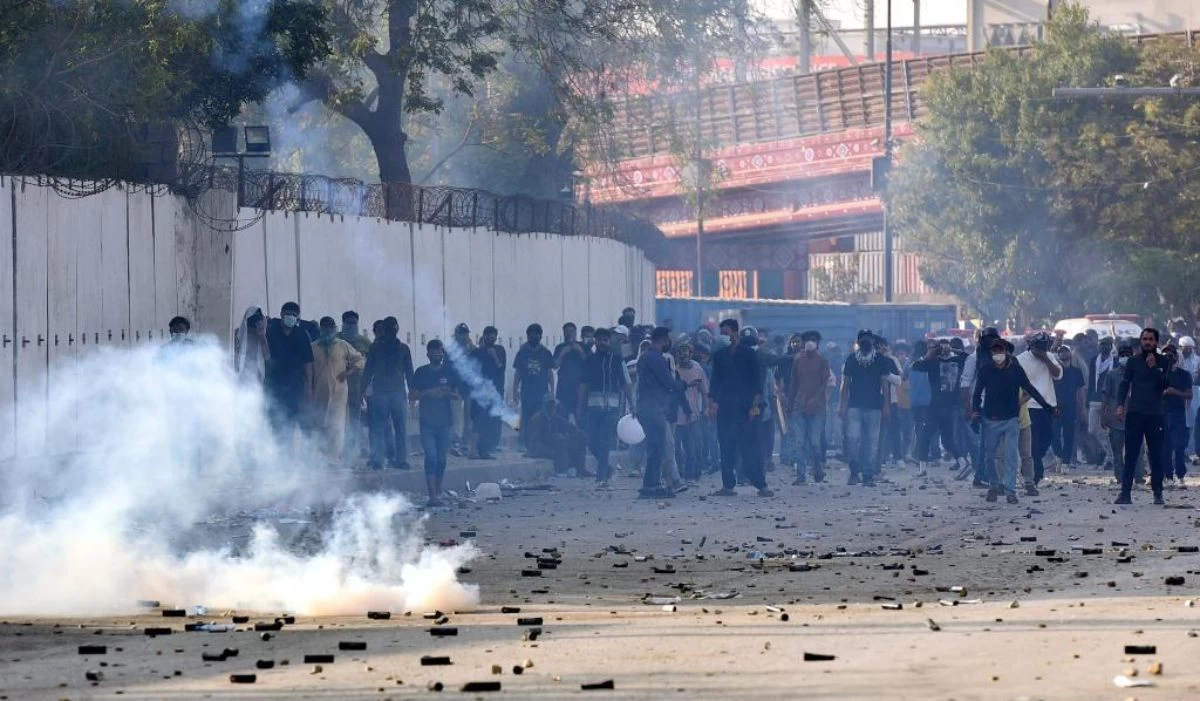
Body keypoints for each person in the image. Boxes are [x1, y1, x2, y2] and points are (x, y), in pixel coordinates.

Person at [972, 337, 1055, 504]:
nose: (997, 353)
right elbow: (977, 393)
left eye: (1000, 350)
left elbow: (1030, 389)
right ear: (991, 352)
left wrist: (1047, 407)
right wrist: (975, 413)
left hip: (1012, 419)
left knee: (1011, 456)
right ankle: (994, 486)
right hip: (990, 420)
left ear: (1006, 352)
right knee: (990, 457)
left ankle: (1010, 491)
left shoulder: (1015, 370)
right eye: (994, 350)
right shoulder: (986, 370)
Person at [709, 319, 773, 497]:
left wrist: (755, 406)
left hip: (746, 408)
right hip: (726, 408)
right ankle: (728, 486)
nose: (724, 336)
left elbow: (757, 382)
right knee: (726, 447)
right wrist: (712, 403)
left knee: (750, 447)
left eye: (726, 332)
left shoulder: (749, 354)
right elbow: (715, 381)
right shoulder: (720, 355)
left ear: (735, 333)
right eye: (722, 333)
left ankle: (761, 484)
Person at [1115, 328, 1171, 505]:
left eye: (1151, 339)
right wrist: (1120, 405)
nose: (1147, 342)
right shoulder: (1133, 361)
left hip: (1155, 414)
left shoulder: (1164, 361)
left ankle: (1158, 492)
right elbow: (1125, 384)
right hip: (1135, 413)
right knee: (1131, 454)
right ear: (1140, 341)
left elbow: (1164, 384)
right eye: (1145, 339)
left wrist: (1154, 367)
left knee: (1156, 455)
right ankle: (1125, 493)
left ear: (1156, 342)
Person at [578, 327, 633, 487]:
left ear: (609, 342)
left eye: (605, 340)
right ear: (595, 341)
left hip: (611, 410)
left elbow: (626, 384)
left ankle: (601, 477)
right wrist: (580, 407)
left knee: (604, 443)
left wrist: (632, 405)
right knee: (590, 441)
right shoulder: (589, 361)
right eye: (600, 340)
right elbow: (583, 386)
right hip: (592, 409)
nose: (602, 343)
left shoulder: (618, 361)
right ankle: (607, 470)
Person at [839, 330, 892, 487]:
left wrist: (886, 405)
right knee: (853, 440)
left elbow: (885, 384)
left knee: (872, 443)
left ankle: (868, 475)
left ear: (872, 341)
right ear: (858, 342)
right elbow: (845, 384)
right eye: (862, 339)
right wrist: (842, 405)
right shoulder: (851, 359)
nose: (865, 341)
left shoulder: (880, 360)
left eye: (868, 338)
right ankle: (854, 472)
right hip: (854, 406)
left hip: (875, 407)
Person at [361, 316, 414, 470]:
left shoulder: (382, 348)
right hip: (387, 393)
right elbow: (409, 372)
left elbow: (368, 371)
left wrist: (412, 391)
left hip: (389, 393)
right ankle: (396, 459)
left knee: (385, 427)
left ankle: (384, 459)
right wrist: (412, 391)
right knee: (395, 428)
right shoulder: (379, 348)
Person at [411, 339, 459, 507]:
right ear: (428, 354)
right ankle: (432, 496)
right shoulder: (421, 372)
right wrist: (428, 393)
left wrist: (446, 393)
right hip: (427, 422)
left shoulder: (450, 372)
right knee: (431, 456)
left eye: (439, 351)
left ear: (443, 353)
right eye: (433, 351)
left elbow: (457, 395)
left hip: (445, 422)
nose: (437, 354)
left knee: (441, 459)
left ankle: (437, 492)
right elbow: (412, 395)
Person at [310, 316, 365, 464]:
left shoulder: (342, 345)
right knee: (320, 424)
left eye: (330, 327)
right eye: (325, 327)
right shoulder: (313, 347)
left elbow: (360, 360)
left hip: (338, 393)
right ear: (321, 329)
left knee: (337, 426)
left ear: (334, 329)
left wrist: (349, 371)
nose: (328, 330)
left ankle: (333, 458)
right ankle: (320, 458)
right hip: (319, 392)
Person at [636, 326, 682, 498]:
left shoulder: (645, 356)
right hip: (653, 407)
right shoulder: (655, 358)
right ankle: (651, 486)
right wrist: (681, 386)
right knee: (657, 447)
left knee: (654, 446)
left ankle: (650, 485)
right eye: (667, 339)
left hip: (647, 406)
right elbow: (667, 381)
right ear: (663, 339)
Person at [912, 338, 968, 473]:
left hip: (937, 407)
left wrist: (950, 350)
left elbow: (916, 365)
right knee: (947, 440)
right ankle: (962, 462)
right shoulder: (937, 362)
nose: (944, 350)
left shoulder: (949, 361)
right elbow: (916, 366)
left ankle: (922, 469)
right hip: (947, 407)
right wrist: (932, 353)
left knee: (925, 436)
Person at [1017, 331, 1063, 485]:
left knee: (1047, 437)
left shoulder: (1049, 357)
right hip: (1029, 405)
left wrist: (1046, 359)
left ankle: (1030, 467)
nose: (1041, 350)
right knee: (1034, 442)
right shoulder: (1021, 359)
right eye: (1039, 348)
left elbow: (1058, 375)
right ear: (1032, 346)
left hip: (1047, 405)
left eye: (1044, 347)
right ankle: (1036, 474)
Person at [786, 330, 829, 484]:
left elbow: (825, 383)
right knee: (799, 443)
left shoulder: (823, 360)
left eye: (813, 340)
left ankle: (818, 469)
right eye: (808, 340)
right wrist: (790, 404)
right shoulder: (798, 360)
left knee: (815, 442)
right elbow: (793, 383)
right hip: (799, 407)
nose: (810, 342)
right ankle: (801, 476)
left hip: (817, 409)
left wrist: (815, 399)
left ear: (817, 343)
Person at [265, 302, 314, 433]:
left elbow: (308, 362)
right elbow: (264, 355)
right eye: (288, 314)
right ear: (281, 314)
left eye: (294, 315)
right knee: (274, 418)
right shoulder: (271, 332)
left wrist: (309, 388)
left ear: (297, 317)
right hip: (274, 383)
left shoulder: (302, 335)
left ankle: (288, 444)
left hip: (295, 385)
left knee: (292, 419)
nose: (291, 317)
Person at [1101, 339, 1143, 485]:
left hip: (1135, 417)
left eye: (1128, 355)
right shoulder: (1112, 375)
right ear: (1118, 357)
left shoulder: (1139, 374)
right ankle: (1120, 477)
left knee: (1137, 450)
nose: (1125, 357)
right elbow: (1105, 396)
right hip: (1115, 418)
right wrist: (1102, 415)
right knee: (1117, 451)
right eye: (1122, 355)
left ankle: (1138, 476)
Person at [339, 311, 372, 462]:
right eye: (349, 323)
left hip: (357, 387)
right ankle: (339, 448)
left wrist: (367, 388)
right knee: (339, 419)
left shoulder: (364, 342)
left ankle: (353, 450)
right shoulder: (336, 340)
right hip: (338, 386)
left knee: (355, 420)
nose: (352, 325)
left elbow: (370, 364)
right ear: (343, 323)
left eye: (354, 323)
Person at [513, 324, 555, 446]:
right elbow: (518, 373)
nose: (534, 336)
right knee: (526, 417)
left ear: (540, 336)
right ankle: (523, 442)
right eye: (531, 334)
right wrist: (515, 390)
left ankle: (538, 442)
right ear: (527, 336)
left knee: (540, 418)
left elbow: (549, 372)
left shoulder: (545, 353)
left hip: (542, 392)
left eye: (536, 334)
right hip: (526, 392)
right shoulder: (522, 353)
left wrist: (552, 390)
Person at [526, 396, 588, 475]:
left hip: (554, 445)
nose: (551, 408)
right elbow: (534, 443)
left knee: (580, 438)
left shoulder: (556, 417)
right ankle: (562, 470)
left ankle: (581, 469)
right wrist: (550, 451)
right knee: (559, 440)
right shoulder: (536, 419)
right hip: (538, 448)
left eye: (553, 405)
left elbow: (570, 427)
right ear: (544, 406)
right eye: (549, 405)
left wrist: (580, 434)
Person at [674, 341, 708, 483]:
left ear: (690, 354)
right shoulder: (673, 369)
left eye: (685, 353)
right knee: (676, 447)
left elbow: (705, 391)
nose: (683, 356)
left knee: (693, 447)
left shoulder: (697, 369)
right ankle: (679, 473)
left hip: (693, 415)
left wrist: (706, 408)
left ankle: (692, 474)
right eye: (680, 353)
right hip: (676, 416)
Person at [471, 326, 507, 459]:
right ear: (484, 336)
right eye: (489, 336)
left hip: (495, 391)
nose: (491, 338)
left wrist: (494, 356)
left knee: (491, 422)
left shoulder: (500, 350)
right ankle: (473, 450)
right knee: (479, 420)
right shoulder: (476, 353)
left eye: (494, 336)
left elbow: (501, 368)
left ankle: (485, 449)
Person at [1050, 345, 1086, 469]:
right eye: (1061, 352)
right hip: (1055, 407)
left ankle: (1066, 461)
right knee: (1054, 434)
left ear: (1070, 353)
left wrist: (1083, 408)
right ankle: (1058, 456)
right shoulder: (1054, 371)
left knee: (1069, 435)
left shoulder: (1076, 371)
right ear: (1058, 354)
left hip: (1071, 407)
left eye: (1065, 351)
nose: (1063, 353)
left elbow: (1080, 390)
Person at [1161, 345, 1192, 488]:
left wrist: (1174, 392)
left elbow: (1189, 395)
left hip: (1178, 414)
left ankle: (1180, 476)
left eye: (1171, 355)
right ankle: (1168, 476)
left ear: (1176, 357)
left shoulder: (1184, 375)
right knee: (1165, 447)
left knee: (1179, 446)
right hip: (1163, 414)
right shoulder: (1158, 375)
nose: (1168, 358)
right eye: (1165, 355)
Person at [1088, 336, 1116, 468]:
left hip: (1109, 400)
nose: (1104, 347)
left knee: (1106, 430)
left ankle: (1110, 458)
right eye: (1102, 344)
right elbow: (1091, 380)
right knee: (1092, 430)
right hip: (1094, 398)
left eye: (1107, 345)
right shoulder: (1094, 360)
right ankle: (1106, 451)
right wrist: (1088, 399)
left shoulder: (1115, 362)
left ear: (1111, 347)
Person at [448, 323, 475, 456]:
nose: (464, 336)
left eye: (466, 333)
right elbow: (448, 368)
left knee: (469, 416)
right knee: (456, 416)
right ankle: (456, 442)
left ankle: (465, 443)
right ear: (456, 334)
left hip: (468, 386)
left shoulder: (472, 349)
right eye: (461, 334)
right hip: (455, 386)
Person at [554, 323, 589, 421]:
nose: (569, 333)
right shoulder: (559, 347)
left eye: (571, 331)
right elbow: (555, 366)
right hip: (563, 386)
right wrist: (562, 353)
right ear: (563, 333)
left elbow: (589, 363)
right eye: (566, 331)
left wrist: (580, 351)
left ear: (575, 332)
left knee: (580, 415)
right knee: (562, 414)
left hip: (580, 386)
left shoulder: (583, 346)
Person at [234, 306, 270, 385]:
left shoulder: (265, 335)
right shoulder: (238, 334)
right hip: (240, 376)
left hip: (257, 377)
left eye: (257, 319)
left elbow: (267, 356)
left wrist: (261, 335)